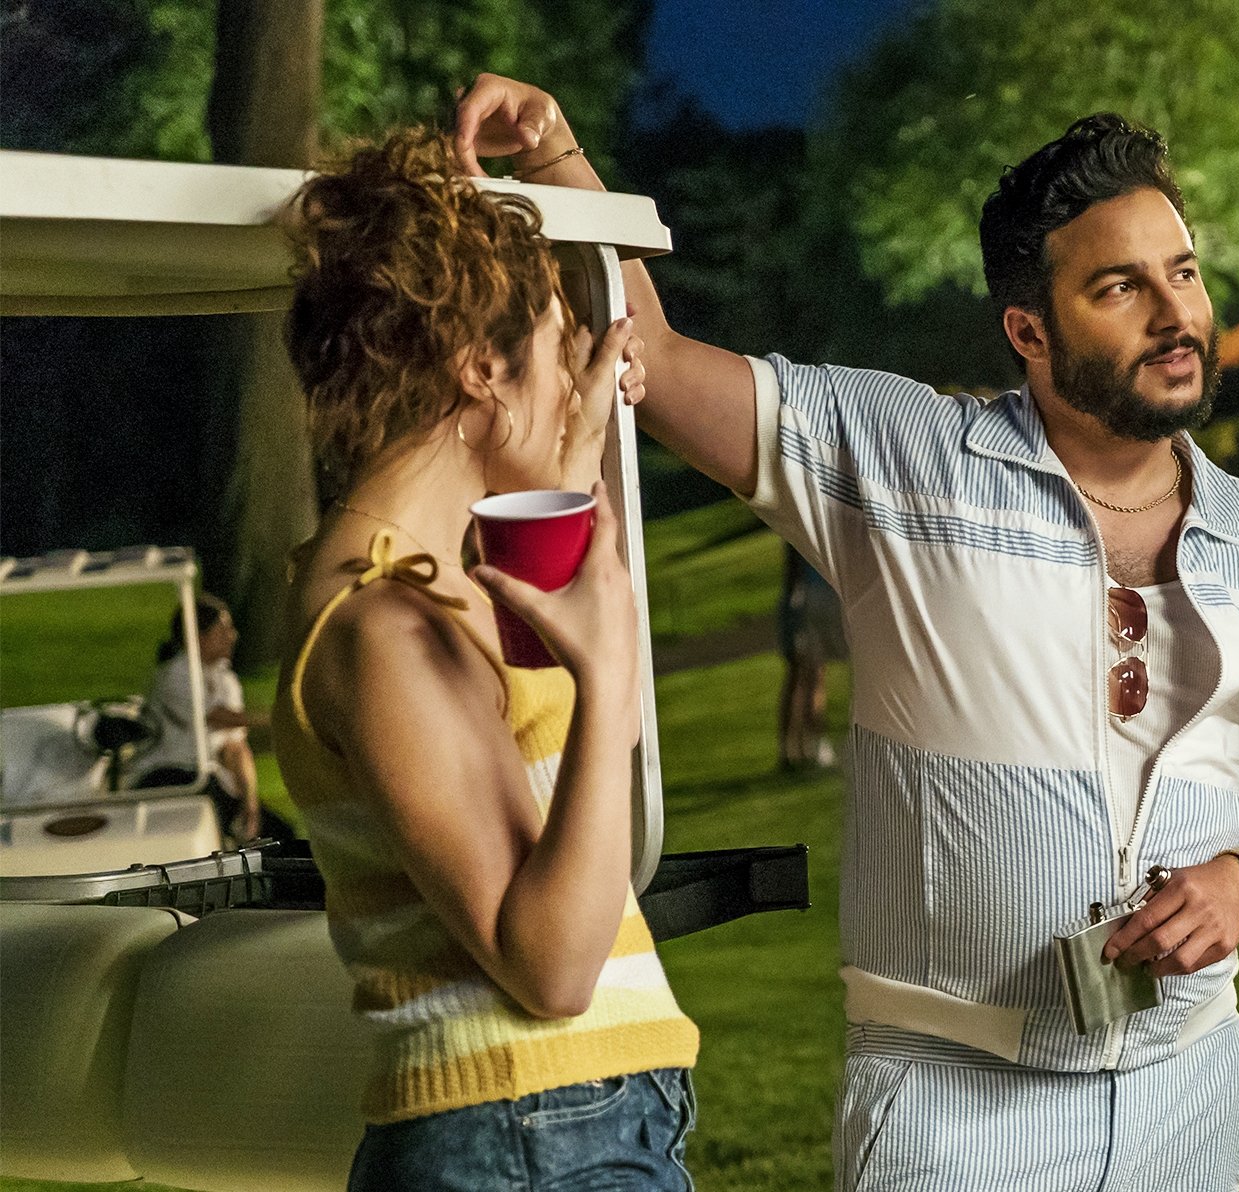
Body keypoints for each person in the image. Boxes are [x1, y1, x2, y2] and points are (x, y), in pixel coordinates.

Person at [454, 75, 1239, 1190]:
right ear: (1029, 331)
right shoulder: (902, 459)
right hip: (948, 1114)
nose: (1173, 313)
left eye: (1182, 273)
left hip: (1191, 1098)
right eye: (1120, 288)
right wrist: (553, 151)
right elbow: (645, 350)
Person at [269, 129, 700, 1190]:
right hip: (534, 1130)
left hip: (552, 1125)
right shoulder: (386, 623)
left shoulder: (425, 584)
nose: (576, 378)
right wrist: (603, 682)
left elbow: (556, 787)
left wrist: (569, 461)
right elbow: (551, 964)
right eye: (556, 347)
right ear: (479, 367)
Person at [131, 592, 295, 845]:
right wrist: (281, 716)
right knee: (213, 805)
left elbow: (235, 748)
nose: (232, 636)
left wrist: (249, 802)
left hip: (208, 780)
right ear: (198, 637)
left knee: (280, 834)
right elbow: (217, 717)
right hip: (167, 775)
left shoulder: (225, 680)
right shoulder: (174, 675)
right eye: (223, 630)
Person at [776, 541, 846, 771]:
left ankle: (797, 749)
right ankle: (811, 747)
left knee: (802, 676)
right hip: (810, 600)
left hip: (805, 599)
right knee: (810, 676)